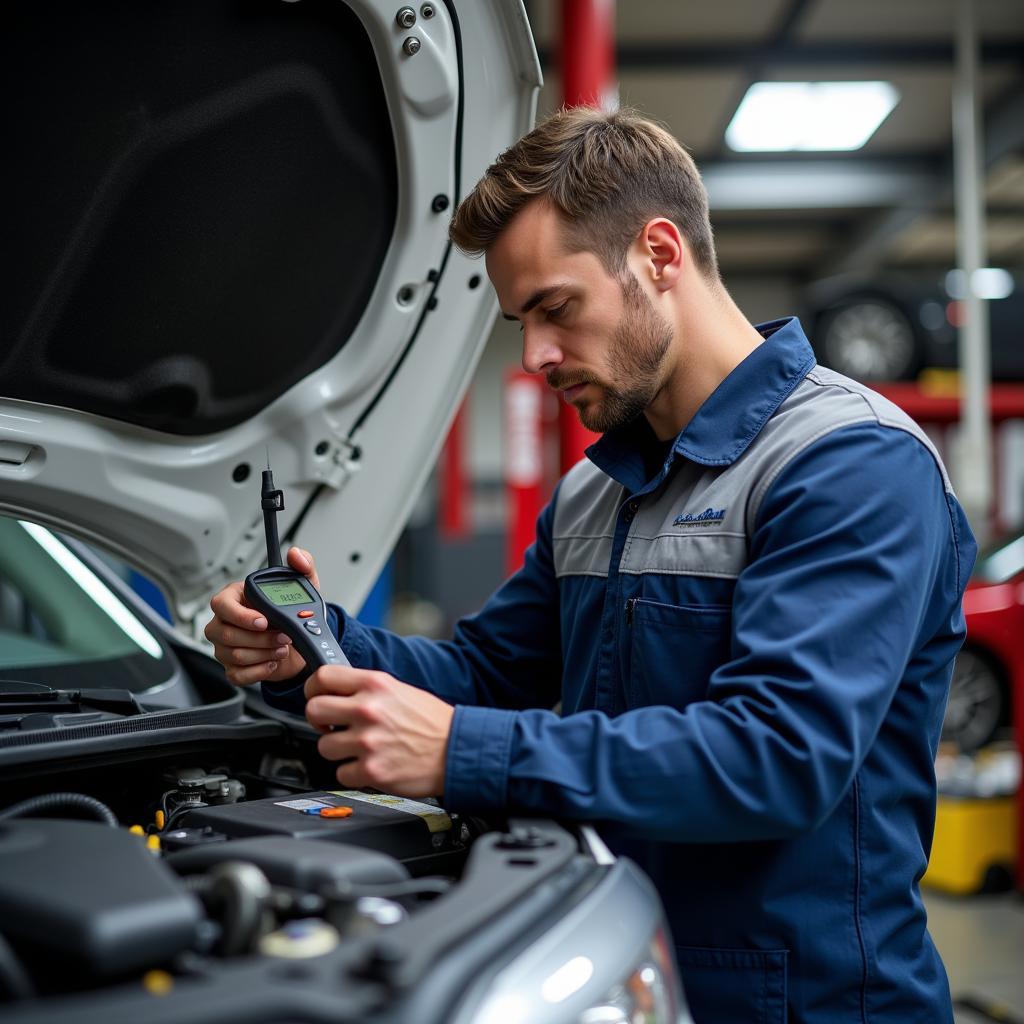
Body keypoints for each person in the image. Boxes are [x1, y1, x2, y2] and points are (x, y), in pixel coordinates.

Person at [205, 108, 976, 1024]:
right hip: (616, 966)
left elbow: (780, 755)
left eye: (555, 309)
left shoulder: (848, 462)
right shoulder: (595, 490)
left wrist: (462, 751)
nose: (534, 356)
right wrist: (317, 653)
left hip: (806, 1001)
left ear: (659, 254)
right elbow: (489, 675)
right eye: (519, 321)